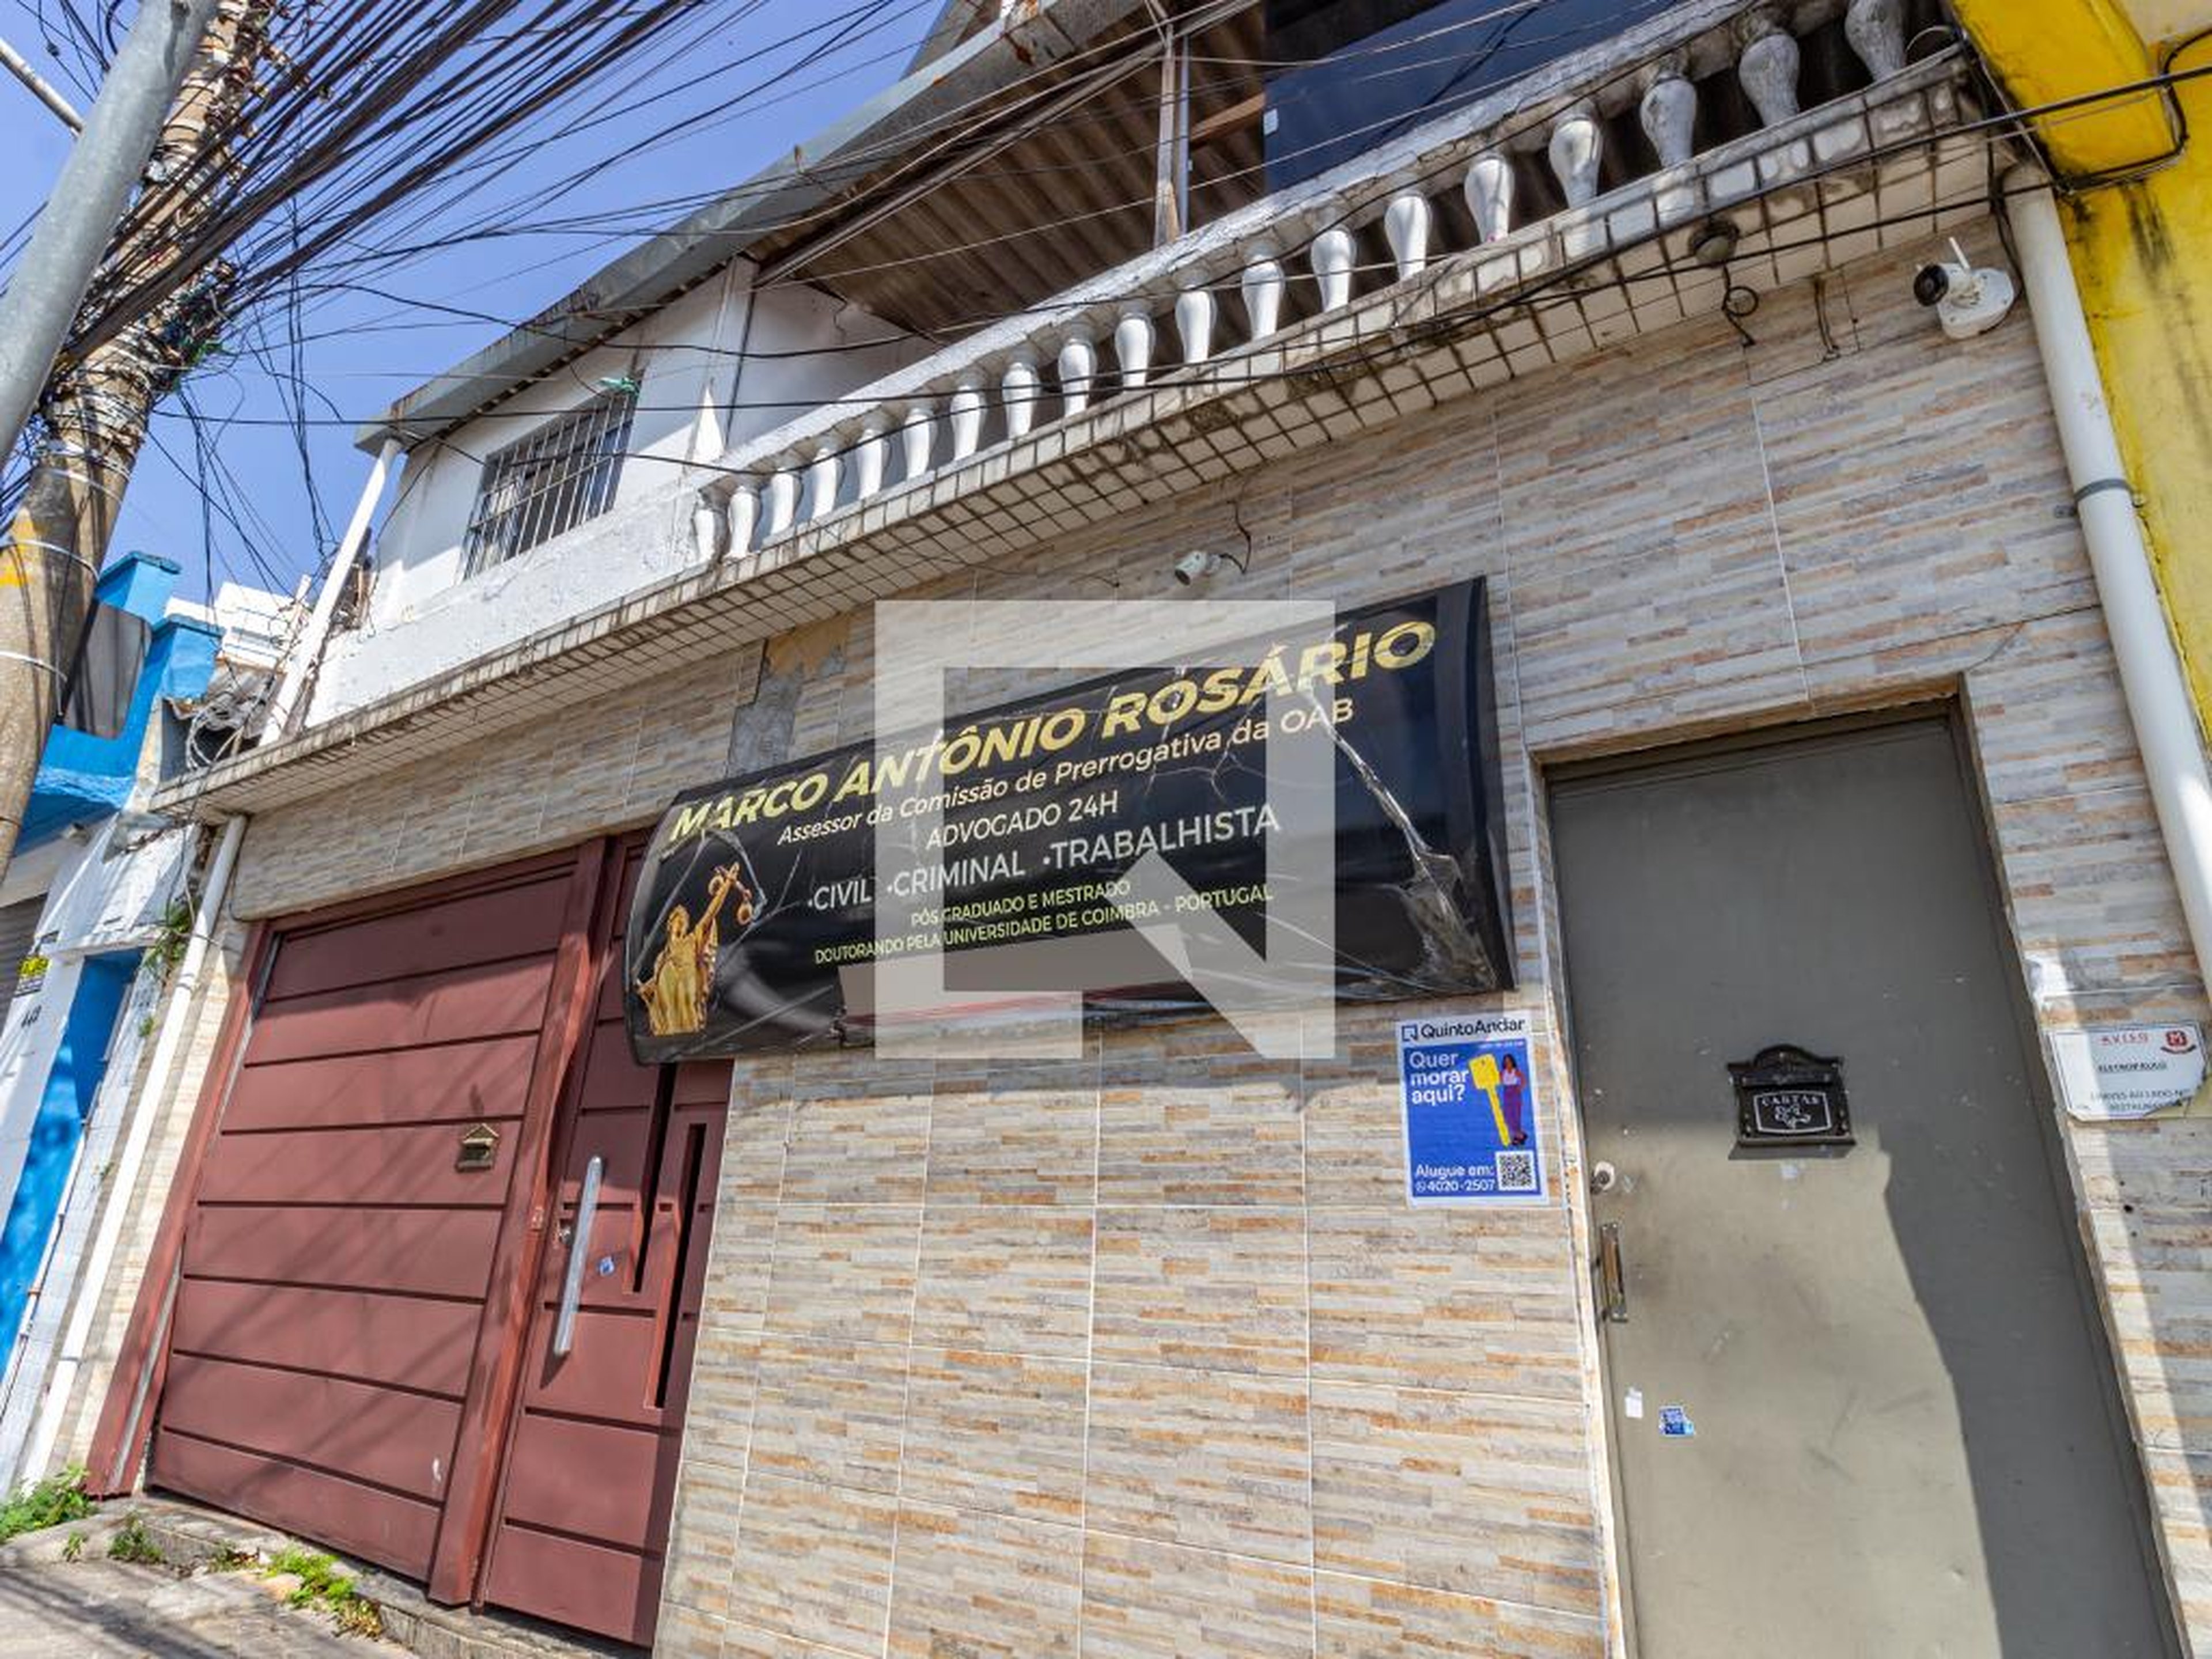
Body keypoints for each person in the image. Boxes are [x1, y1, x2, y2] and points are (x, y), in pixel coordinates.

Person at [637, 863, 752, 1036]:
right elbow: (654, 985)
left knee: (689, 1026)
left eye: (684, 922)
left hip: (687, 1006)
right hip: (668, 1013)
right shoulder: (661, 958)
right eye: (678, 920)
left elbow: (710, 913)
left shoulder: (692, 941)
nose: (682, 924)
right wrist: (642, 987)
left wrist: (728, 884)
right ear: (670, 925)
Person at [1498, 1052, 1530, 1147]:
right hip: (1506, 1092)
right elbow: (1499, 1080)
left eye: (1509, 1061)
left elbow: (1524, 1079)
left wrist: (1520, 1088)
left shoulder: (1516, 1071)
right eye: (1506, 1061)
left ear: (1513, 1062)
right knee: (1507, 1115)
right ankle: (1521, 1134)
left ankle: (1518, 1136)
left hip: (1515, 1092)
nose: (1508, 1063)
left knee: (1516, 1114)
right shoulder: (1502, 1072)